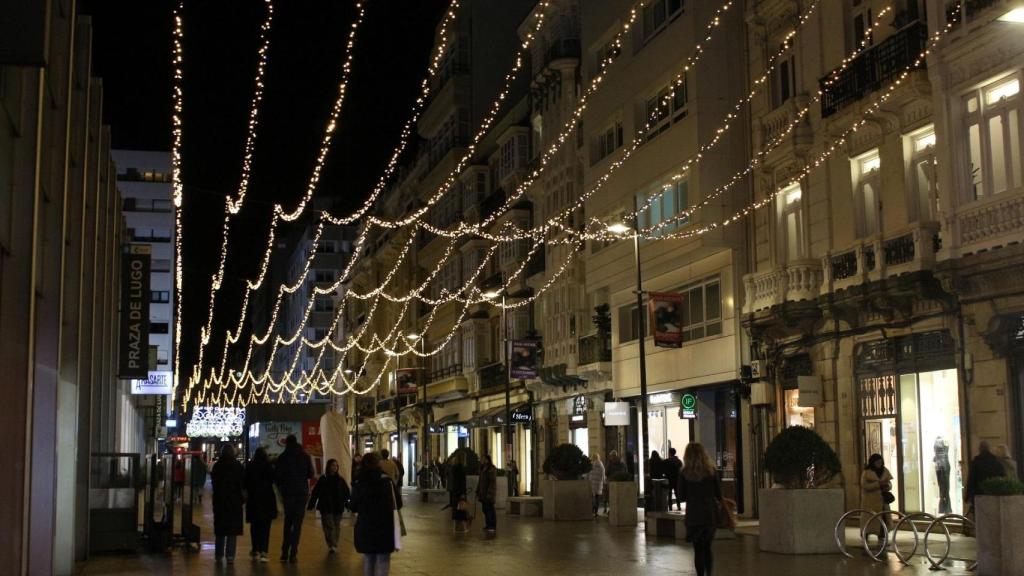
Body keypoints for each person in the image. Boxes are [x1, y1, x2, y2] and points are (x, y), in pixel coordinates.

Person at [351, 453, 401, 576]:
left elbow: (353, 506)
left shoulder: (359, 482)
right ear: (378, 464)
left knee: (369, 559)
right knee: (383, 559)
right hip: (385, 525)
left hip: (366, 525)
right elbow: (398, 503)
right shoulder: (387, 481)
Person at [677, 443, 721, 576]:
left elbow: (681, 496)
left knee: (698, 550)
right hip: (709, 514)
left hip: (693, 516)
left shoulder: (684, 473)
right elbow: (718, 493)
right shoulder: (711, 471)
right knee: (707, 548)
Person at [275, 434, 314, 563]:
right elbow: (311, 474)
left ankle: (284, 552)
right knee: (297, 525)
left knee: (288, 523)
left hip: (288, 494)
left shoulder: (282, 457)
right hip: (301, 494)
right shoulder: (305, 457)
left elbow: (278, 477)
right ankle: (293, 553)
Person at [308, 458, 351, 554]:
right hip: (326, 506)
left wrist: (348, 504)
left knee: (336, 526)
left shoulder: (340, 480)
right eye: (333, 465)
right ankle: (333, 544)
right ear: (328, 467)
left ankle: (333, 544)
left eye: (336, 465)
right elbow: (316, 492)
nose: (335, 467)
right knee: (329, 526)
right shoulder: (323, 479)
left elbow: (346, 493)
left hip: (338, 506)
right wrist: (311, 504)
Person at [211, 444, 244, 563]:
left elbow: (214, 484)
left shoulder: (217, 466)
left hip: (220, 501)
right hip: (234, 502)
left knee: (220, 530)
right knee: (232, 531)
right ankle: (230, 556)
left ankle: (218, 555)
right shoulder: (238, 466)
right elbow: (243, 484)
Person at [244, 447, 277, 563]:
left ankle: (255, 549)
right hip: (267, 499)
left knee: (255, 526)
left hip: (253, 500)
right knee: (265, 527)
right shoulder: (269, 467)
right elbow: (273, 480)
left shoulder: (250, 466)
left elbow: (245, 482)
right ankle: (264, 552)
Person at [860, 453, 894, 541]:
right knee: (870, 518)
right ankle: (866, 533)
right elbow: (865, 486)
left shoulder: (884, 470)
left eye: (880, 462)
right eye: (877, 462)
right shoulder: (867, 472)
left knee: (883, 518)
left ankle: (882, 534)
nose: (879, 464)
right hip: (870, 501)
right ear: (873, 462)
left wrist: (887, 486)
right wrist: (878, 484)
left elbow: (890, 484)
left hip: (882, 500)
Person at [477, 455, 497, 533]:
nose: (481, 460)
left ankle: (492, 525)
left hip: (489, 493)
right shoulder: (482, 469)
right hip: (483, 493)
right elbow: (480, 481)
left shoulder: (491, 469)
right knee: (485, 510)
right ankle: (488, 524)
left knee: (490, 510)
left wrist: (490, 493)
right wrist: (478, 490)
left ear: (487, 460)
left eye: (483, 459)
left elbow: (492, 483)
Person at [664, 447, 683, 511]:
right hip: (676, 479)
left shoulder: (666, 461)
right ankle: (679, 506)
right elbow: (681, 470)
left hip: (669, 479)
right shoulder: (679, 461)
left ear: (669, 453)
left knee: (669, 494)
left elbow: (664, 470)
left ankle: (670, 507)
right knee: (677, 493)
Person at [588, 453, 606, 517]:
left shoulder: (591, 464)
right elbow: (603, 474)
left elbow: (589, 474)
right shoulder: (601, 465)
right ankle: (596, 512)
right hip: (598, 483)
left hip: (592, 483)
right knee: (597, 498)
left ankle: (592, 510)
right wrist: (604, 482)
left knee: (592, 497)